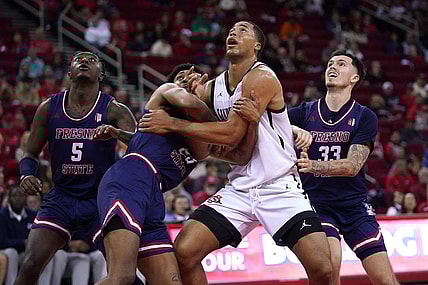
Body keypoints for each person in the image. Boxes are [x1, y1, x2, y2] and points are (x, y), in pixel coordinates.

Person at [139, 21, 333, 285]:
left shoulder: (261, 77)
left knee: (322, 268)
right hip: (240, 187)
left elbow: (230, 134)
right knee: (184, 251)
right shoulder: (212, 88)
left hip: (278, 185)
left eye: (243, 30)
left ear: (257, 46)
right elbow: (210, 140)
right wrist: (188, 92)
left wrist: (173, 123)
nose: (233, 33)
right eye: (231, 30)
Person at [92, 63, 260, 285]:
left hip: (153, 194)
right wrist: (203, 104)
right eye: (182, 76)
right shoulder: (166, 92)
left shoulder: (195, 129)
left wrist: (252, 122)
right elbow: (188, 102)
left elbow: (226, 151)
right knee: (122, 277)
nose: (188, 80)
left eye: (195, 78)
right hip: (130, 180)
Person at [14, 51, 138, 285]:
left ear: (101, 74)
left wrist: (116, 133)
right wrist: (27, 174)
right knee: (30, 264)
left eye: (92, 60)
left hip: (100, 200)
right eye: (78, 59)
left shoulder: (114, 110)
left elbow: (141, 146)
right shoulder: (48, 108)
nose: (84, 62)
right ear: (69, 72)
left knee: (122, 274)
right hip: (62, 198)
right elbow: (30, 153)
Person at [288, 50, 399, 285]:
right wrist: (294, 130)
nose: (332, 67)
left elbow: (352, 165)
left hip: (354, 206)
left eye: (341, 64)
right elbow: (269, 123)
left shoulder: (364, 116)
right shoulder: (305, 111)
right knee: (329, 269)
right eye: (329, 63)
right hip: (316, 204)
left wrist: (312, 164)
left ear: (354, 77)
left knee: (385, 280)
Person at [0, 184, 64, 285]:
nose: (17, 198)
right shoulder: (2, 215)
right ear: (9, 198)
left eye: (20, 195)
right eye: (14, 195)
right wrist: (22, 242)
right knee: (11, 253)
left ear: (25, 198)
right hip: (9, 251)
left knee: (45, 255)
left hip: (27, 252)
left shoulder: (33, 214)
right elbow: (2, 241)